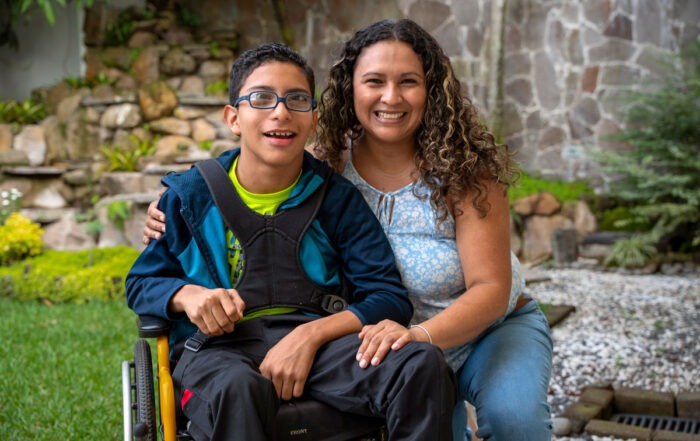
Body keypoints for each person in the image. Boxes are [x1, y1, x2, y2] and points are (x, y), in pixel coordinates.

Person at [144, 20, 554, 441]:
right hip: (384, 338)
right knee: (435, 411)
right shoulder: (329, 164)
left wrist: (412, 335)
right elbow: (264, 151)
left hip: (466, 329)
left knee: (513, 421)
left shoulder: (465, 174)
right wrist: (185, 192)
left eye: (408, 82)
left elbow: (489, 290)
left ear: (430, 90)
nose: (390, 96)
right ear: (350, 89)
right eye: (375, 81)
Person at [126, 42, 457, 441]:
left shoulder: (336, 198)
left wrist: (310, 336)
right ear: (233, 117)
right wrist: (188, 296)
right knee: (239, 388)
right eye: (262, 98)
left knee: (420, 363)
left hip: (322, 349)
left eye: (297, 100)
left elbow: (387, 296)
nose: (280, 112)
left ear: (313, 119)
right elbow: (141, 283)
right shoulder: (190, 197)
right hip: (218, 353)